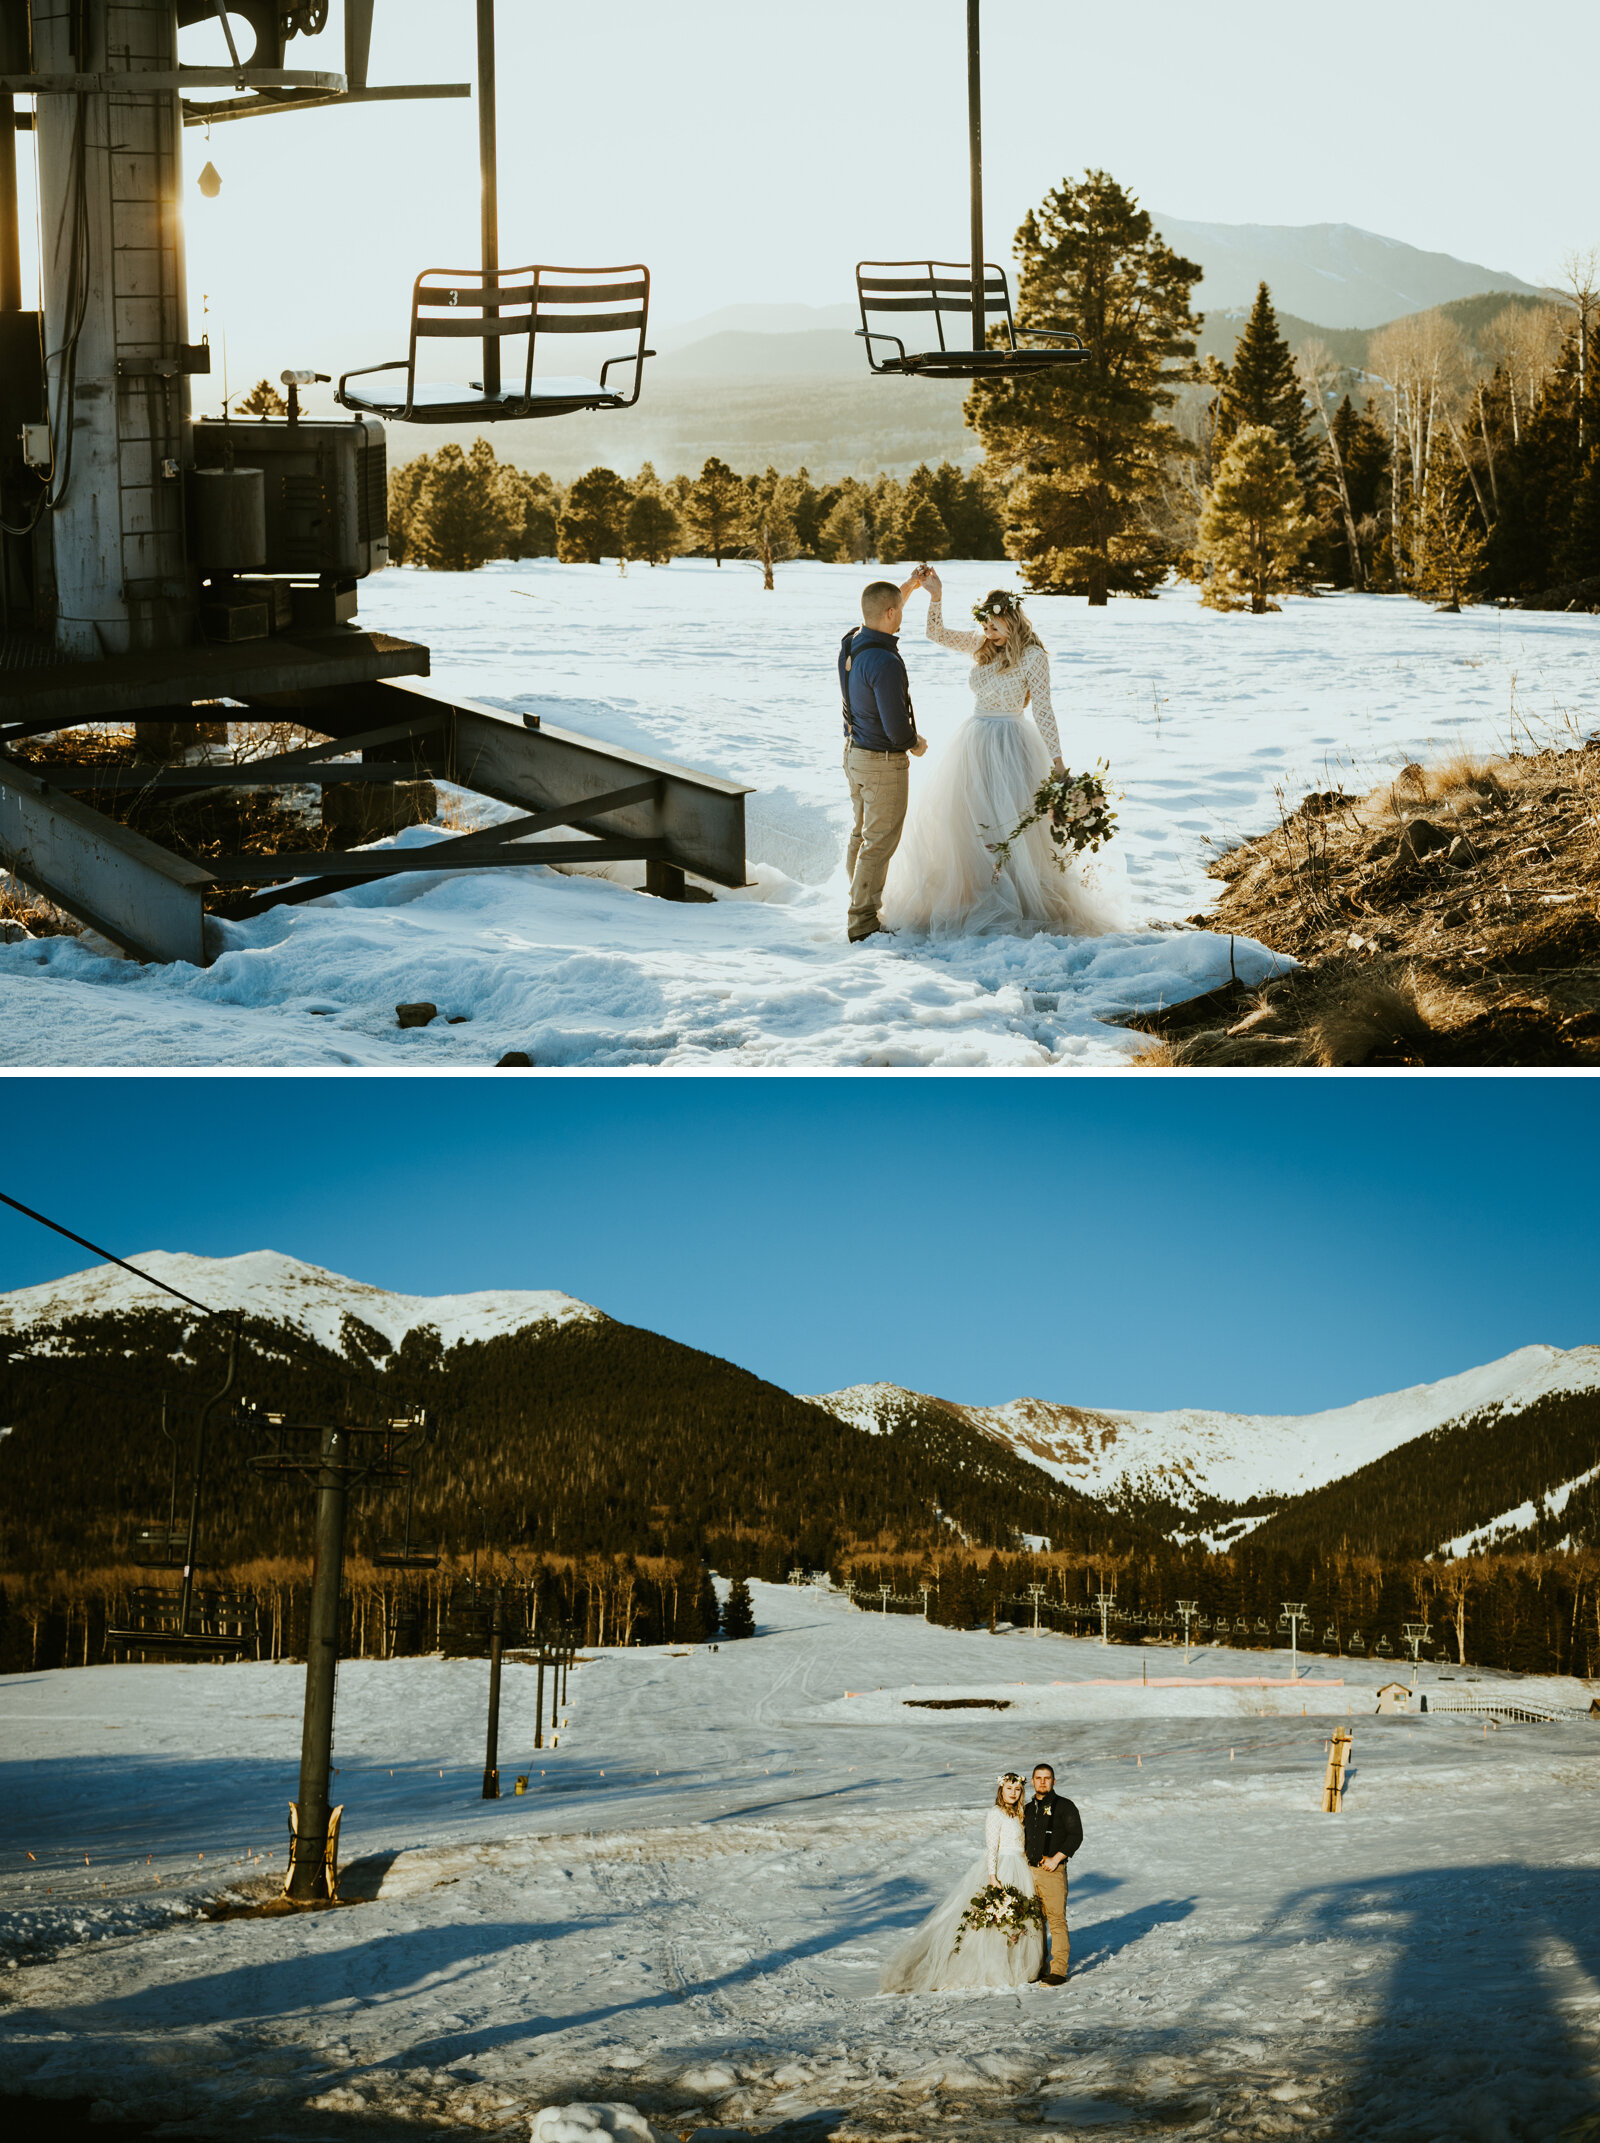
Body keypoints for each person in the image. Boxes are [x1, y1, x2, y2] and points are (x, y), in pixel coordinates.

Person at [880, 569, 1127, 939]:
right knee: (967, 823)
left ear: (1011, 620)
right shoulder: (981, 645)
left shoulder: (1033, 657)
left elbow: (1043, 710)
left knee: (1013, 824)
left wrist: (1059, 765)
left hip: (1013, 743)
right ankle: (972, 894)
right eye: (986, 627)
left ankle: (1016, 898)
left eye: (996, 627)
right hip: (975, 741)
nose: (989, 634)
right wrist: (935, 595)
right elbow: (935, 634)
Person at [879, 1771, 1044, 1992]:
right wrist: (993, 1876)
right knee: (995, 1921)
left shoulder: (1020, 1813)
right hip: (1003, 1867)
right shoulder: (995, 1813)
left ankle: (1017, 1966)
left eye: (1017, 1790)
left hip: (1020, 1867)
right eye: (1008, 1789)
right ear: (1001, 1790)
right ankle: (991, 1967)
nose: (1013, 1793)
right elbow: (991, 1847)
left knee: (1018, 1920)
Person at [839, 575, 929, 943]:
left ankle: (859, 901)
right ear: (892, 613)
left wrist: (907, 587)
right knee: (879, 842)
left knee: (862, 835)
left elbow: (881, 606)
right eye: (899, 610)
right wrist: (915, 743)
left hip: (854, 754)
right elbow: (896, 728)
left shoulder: (852, 641)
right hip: (882, 761)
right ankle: (862, 922)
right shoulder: (885, 662)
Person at [1024, 1762, 1082, 1985]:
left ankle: (1058, 1970)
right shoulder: (1029, 1809)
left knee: (1056, 1920)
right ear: (1032, 1781)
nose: (1042, 1782)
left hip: (1052, 1872)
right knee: (1035, 1922)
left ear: (1054, 1781)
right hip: (1029, 1872)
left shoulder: (1065, 1806)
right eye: (1038, 1778)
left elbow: (1075, 1836)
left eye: (1047, 1778)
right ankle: (1038, 1967)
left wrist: (1056, 1858)